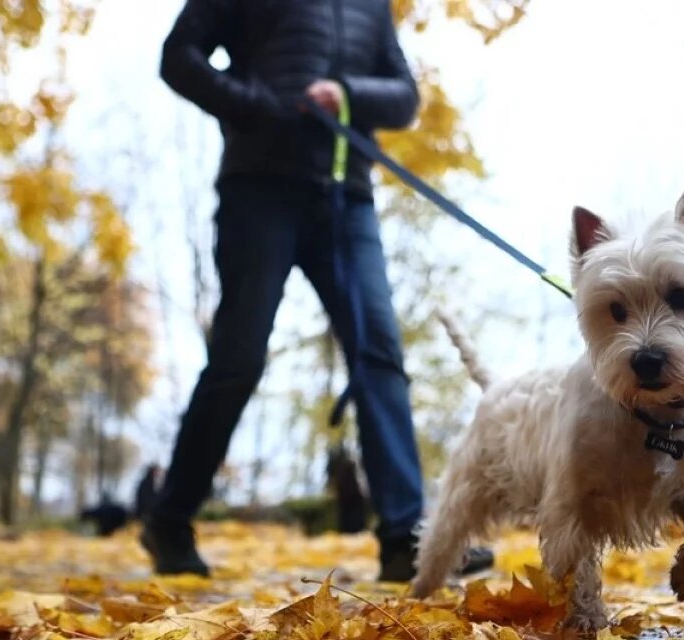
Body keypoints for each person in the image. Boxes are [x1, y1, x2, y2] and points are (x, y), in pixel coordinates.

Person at [144, 0, 493, 581]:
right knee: (238, 357)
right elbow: (178, 57)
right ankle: (170, 519)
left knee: (380, 352)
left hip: (345, 199)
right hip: (259, 190)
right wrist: (259, 106)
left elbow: (404, 98)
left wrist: (346, 93)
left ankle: (407, 538)